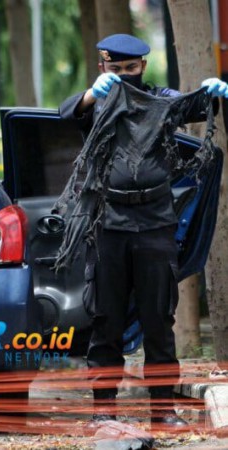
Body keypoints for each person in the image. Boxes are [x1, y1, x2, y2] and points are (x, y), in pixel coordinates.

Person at [58, 34, 227, 428]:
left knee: (158, 321)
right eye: (114, 70)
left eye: (130, 69)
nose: (123, 77)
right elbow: (66, 113)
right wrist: (90, 95)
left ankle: (163, 409)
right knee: (106, 319)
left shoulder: (158, 100)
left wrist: (210, 93)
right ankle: (104, 410)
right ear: (102, 69)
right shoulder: (98, 100)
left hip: (154, 222)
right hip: (108, 222)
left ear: (142, 68)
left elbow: (189, 105)